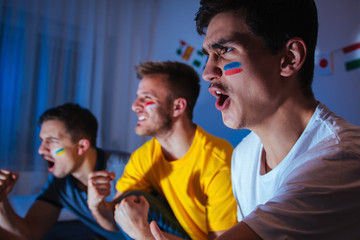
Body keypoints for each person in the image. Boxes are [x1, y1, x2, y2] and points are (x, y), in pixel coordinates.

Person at [151, 0, 360, 239]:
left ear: (289, 58)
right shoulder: (243, 156)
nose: (207, 72)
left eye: (226, 50)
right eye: (208, 55)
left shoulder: (344, 158)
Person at [88, 61, 237, 240]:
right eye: (137, 98)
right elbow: (116, 221)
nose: (134, 106)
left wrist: (143, 235)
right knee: (129, 202)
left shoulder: (217, 161)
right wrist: (96, 204)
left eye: (146, 98)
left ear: (177, 107)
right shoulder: (144, 156)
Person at [0, 103, 129, 240]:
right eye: (42, 141)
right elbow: (30, 233)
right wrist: (1, 200)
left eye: (51, 141)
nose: (41, 150)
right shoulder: (60, 182)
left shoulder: (128, 169)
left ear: (81, 146)